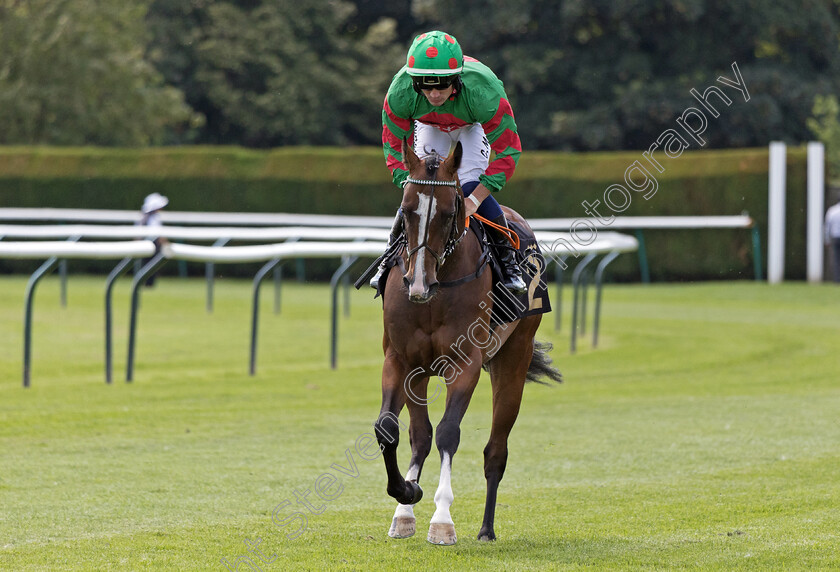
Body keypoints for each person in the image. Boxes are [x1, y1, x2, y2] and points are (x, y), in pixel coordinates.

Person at [372, 30, 526, 294]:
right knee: (420, 189)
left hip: (471, 126)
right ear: (414, 82)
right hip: (429, 125)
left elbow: (508, 152)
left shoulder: (483, 92)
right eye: (425, 86)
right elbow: (394, 147)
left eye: (441, 85)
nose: (433, 94)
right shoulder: (400, 92)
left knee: (466, 185)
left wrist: (474, 200)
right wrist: (410, 185)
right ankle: (389, 255)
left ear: (456, 79)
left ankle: (508, 262)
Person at [137, 192, 170, 287]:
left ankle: (145, 283)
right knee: (151, 267)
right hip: (152, 245)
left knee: (145, 266)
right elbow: (158, 234)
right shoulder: (154, 217)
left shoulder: (143, 216)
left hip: (143, 245)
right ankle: (148, 284)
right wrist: (166, 244)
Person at [826, 196, 840, 282]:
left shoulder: (832, 210)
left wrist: (827, 240)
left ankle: (837, 280)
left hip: (835, 237)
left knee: (836, 260)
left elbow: (827, 226)